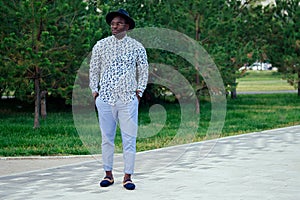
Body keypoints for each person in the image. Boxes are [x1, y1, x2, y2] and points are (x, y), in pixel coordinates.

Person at [89, 9, 148, 190]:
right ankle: (108, 174)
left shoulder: (137, 47)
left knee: (129, 138)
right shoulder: (100, 45)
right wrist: (95, 91)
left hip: (128, 99)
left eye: (119, 23)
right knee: (106, 138)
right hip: (105, 99)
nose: (114, 26)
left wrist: (139, 93)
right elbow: (93, 69)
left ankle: (128, 177)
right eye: (113, 23)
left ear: (127, 26)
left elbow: (144, 70)